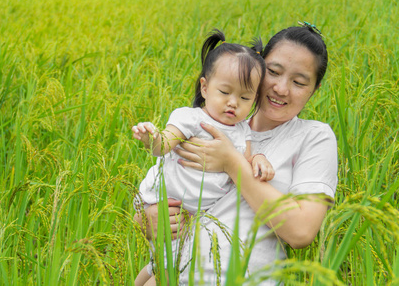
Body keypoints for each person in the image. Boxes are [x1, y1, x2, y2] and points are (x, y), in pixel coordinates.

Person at [140, 23, 338, 285]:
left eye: (299, 82)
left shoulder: (313, 137)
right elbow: (161, 183)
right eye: (273, 72)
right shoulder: (208, 122)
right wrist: (145, 218)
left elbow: (301, 231)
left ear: (316, 88)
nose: (281, 88)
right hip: (174, 274)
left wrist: (232, 163)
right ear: (255, 68)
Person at [132, 29, 275, 286]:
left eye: (244, 98)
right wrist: (150, 137)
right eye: (225, 92)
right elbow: (163, 145)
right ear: (205, 88)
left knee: (163, 265)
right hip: (167, 203)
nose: (233, 103)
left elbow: (246, 162)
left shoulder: (243, 130)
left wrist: (260, 159)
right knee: (169, 271)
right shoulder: (191, 118)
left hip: (195, 215)